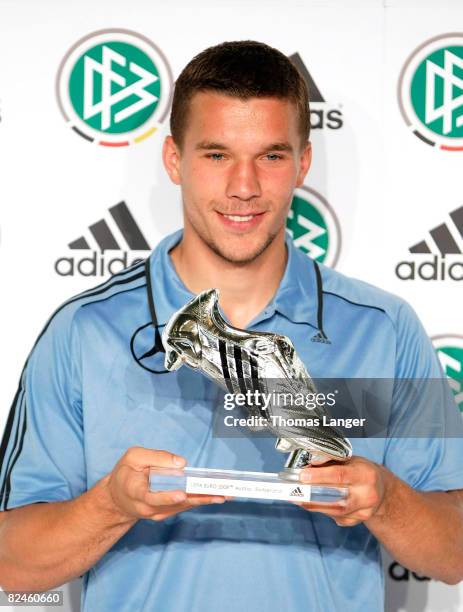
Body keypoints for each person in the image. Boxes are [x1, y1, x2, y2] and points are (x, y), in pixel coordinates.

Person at [0, 40, 463, 612]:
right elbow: (12, 563)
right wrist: (111, 506)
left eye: (270, 156)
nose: (244, 186)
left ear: (303, 162)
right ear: (174, 160)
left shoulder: (385, 331)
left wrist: (386, 500)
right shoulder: (83, 331)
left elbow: (455, 551)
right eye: (217, 155)